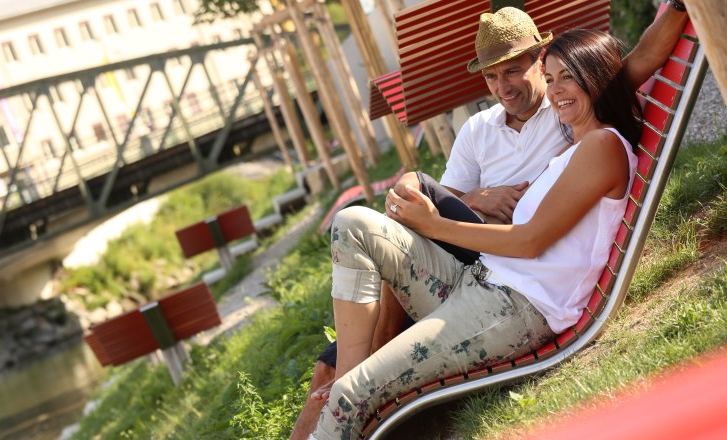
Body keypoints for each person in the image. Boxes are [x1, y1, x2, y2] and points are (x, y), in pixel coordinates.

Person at [289, 3, 690, 438]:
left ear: (595, 78)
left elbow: (530, 241)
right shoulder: (568, 139)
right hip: (481, 279)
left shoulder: (595, 143)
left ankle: (348, 384)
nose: (555, 91)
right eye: (553, 78)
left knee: (351, 394)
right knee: (353, 222)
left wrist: (678, 7)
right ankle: (350, 367)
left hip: (514, 307)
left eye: (565, 78)